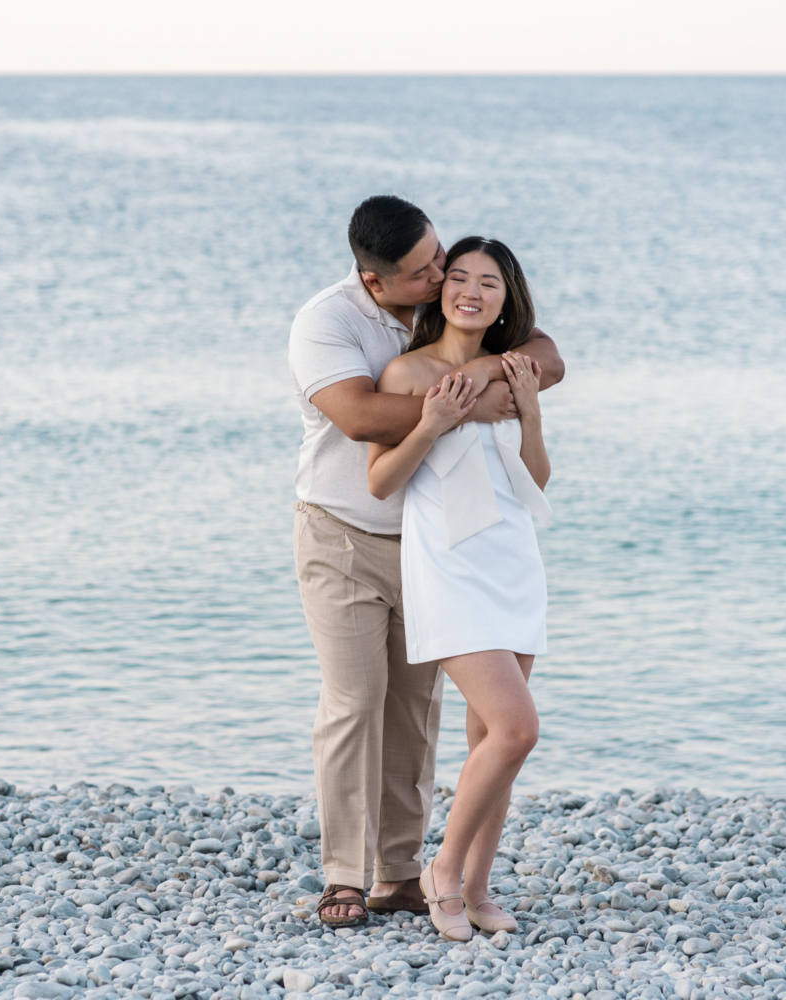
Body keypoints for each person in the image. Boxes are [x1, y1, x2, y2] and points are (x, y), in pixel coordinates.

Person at [288, 197, 564, 926]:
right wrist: (463, 404)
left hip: (475, 553)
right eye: (432, 271)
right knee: (356, 703)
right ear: (379, 283)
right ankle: (348, 875)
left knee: (422, 715)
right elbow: (361, 420)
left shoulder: (454, 311)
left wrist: (519, 397)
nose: (447, 277)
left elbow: (548, 360)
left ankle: (413, 876)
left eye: (447, 260)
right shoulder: (330, 324)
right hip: (348, 534)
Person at [365, 236, 550, 941]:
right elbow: (382, 481)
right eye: (461, 277)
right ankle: (442, 871)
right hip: (448, 566)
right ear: (440, 290)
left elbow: (536, 481)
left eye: (490, 283)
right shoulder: (407, 374)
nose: (472, 290)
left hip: (514, 561)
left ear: (508, 299)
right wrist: (431, 423)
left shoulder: (510, 371)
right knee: (517, 728)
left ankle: (475, 888)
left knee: (487, 737)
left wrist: (531, 413)